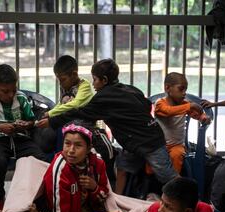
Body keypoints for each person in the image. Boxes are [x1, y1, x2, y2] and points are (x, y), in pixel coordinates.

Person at [37, 59, 177, 193]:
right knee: (122, 168)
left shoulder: (104, 97)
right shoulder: (129, 89)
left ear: (104, 80)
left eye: (95, 79)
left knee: (168, 177)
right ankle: (117, 199)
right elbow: (146, 105)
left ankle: (189, 202)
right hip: (135, 141)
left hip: (149, 142)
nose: (93, 84)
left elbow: (80, 113)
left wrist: (52, 121)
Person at [0, 64, 48, 211]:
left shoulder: (21, 98)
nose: (10, 95)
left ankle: (37, 200)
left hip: (21, 139)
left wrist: (26, 125)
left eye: (13, 90)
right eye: (5, 91)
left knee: (40, 159)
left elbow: (32, 121)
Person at [43, 120, 109, 212]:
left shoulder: (97, 164)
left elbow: (105, 195)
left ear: (89, 147)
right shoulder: (60, 169)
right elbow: (59, 208)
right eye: (67, 143)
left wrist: (94, 188)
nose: (71, 150)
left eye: (78, 145)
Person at [154, 72, 211, 173]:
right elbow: (168, 111)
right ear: (167, 88)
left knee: (176, 155)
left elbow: (196, 114)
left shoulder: (184, 104)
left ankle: (174, 181)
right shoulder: (160, 104)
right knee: (152, 164)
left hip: (177, 145)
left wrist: (203, 118)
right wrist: (190, 106)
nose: (184, 93)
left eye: (185, 90)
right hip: (159, 145)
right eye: (181, 89)